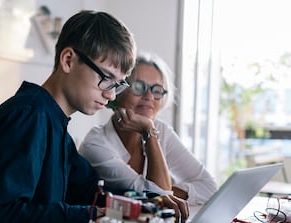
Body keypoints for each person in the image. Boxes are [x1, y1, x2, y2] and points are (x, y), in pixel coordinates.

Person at [0, 10, 137, 223]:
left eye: (118, 84)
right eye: (106, 78)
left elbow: (89, 190)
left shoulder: (55, 124)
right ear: (68, 60)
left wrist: (144, 204)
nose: (111, 94)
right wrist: (89, 217)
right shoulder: (28, 116)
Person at [79, 52, 217, 207]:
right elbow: (160, 198)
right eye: (139, 86)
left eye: (157, 90)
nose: (149, 96)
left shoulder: (162, 130)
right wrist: (149, 131)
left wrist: (169, 192)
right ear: (117, 91)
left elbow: (210, 188)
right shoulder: (96, 144)